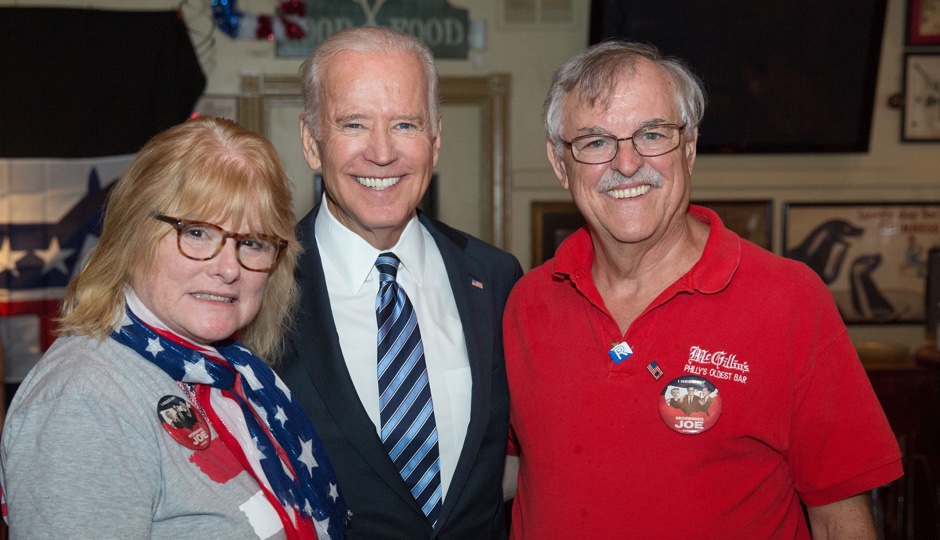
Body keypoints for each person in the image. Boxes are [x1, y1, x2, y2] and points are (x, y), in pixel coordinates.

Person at [503, 41, 903, 538]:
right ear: (561, 164)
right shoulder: (527, 303)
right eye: (595, 142)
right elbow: (517, 474)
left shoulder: (790, 300)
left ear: (689, 146)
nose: (627, 164)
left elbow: (840, 518)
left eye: (652, 134)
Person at [0, 116, 348, 539]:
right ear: (133, 235)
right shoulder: (85, 398)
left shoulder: (234, 374)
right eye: (197, 232)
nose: (227, 268)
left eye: (252, 242)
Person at [278, 26, 523, 539]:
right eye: (354, 125)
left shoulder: (496, 279)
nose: (382, 153)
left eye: (405, 124)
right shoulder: (259, 287)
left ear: (435, 142)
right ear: (311, 142)